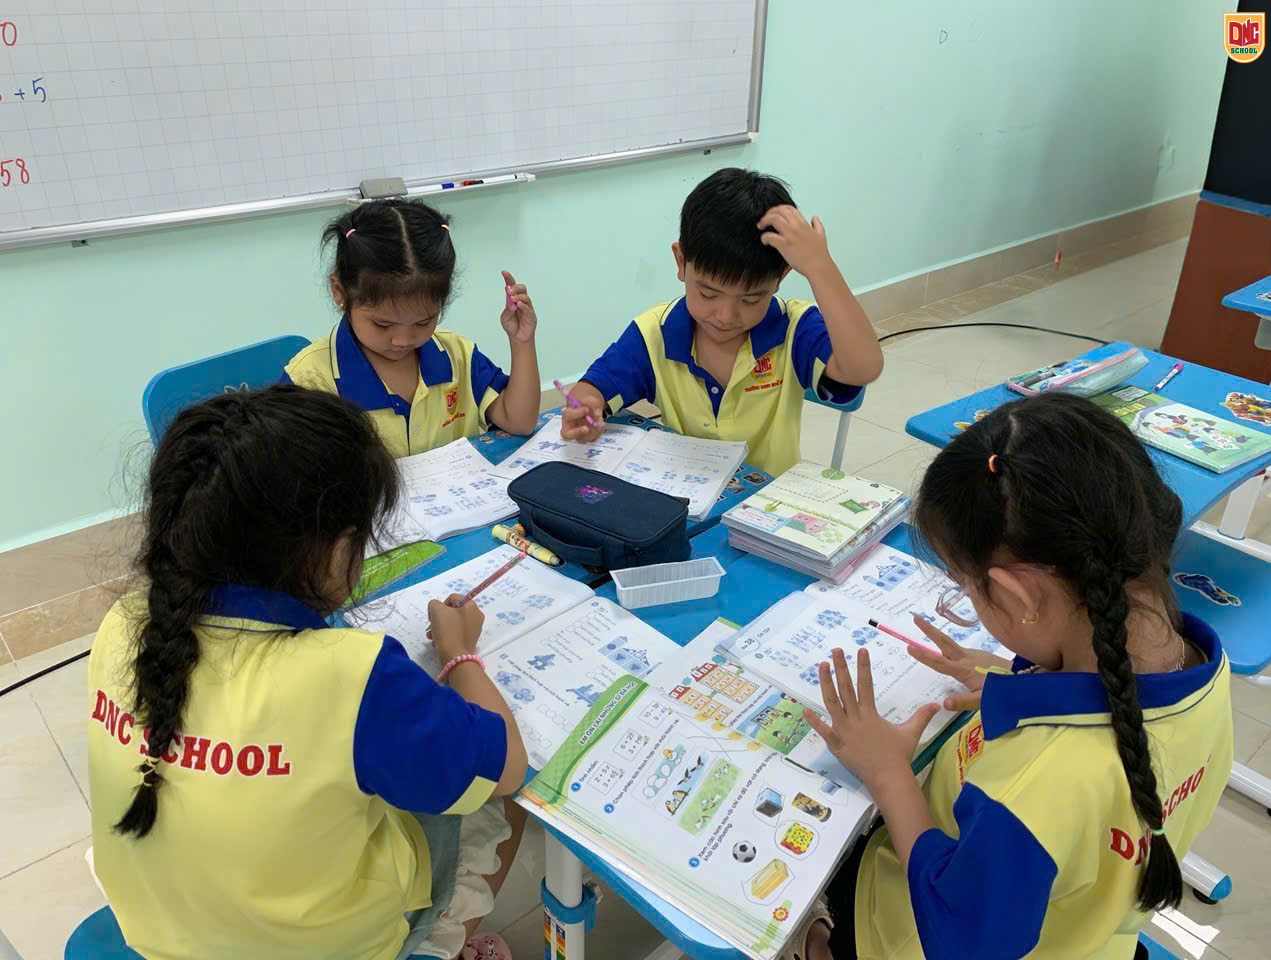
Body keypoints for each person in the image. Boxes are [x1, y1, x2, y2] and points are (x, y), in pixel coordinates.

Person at [87, 386, 529, 960]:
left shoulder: (124, 621)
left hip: (160, 930)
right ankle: (439, 943)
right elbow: (507, 766)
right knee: (498, 802)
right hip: (328, 947)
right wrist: (459, 650)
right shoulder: (354, 673)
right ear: (339, 552)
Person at [794, 393, 1233, 960]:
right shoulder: (1200, 661)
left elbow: (961, 939)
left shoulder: (1034, 787)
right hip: (1088, 938)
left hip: (916, 933)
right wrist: (1021, 678)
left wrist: (887, 773)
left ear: (1018, 596)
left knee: (835, 865)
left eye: (964, 586)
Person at [558, 168, 883, 476]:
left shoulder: (795, 329)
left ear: (781, 277)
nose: (726, 316)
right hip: (685, 498)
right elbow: (595, 387)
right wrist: (586, 406)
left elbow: (863, 368)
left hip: (767, 504)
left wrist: (819, 267)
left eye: (751, 299)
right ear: (681, 262)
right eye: (708, 293)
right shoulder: (655, 332)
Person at [285, 198, 541, 457]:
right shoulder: (310, 381)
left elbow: (520, 421)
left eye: (423, 322)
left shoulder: (457, 356)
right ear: (339, 291)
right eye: (383, 324)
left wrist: (521, 341)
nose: (402, 340)